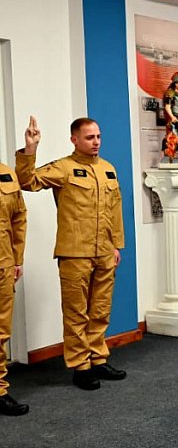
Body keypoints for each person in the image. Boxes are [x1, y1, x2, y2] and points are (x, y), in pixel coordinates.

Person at [16, 116, 126, 391]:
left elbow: (116, 211)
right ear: (74, 140)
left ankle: (98, 358)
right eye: (89, 137)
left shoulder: (108, 169)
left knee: (100, 310)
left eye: (98, 136)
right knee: (77, 312)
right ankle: (81, 366)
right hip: (75, 252)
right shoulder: (64, 168)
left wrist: (116, 246)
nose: (96, 142)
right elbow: (27, 181)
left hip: (103, 251)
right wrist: (31, 149)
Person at [0, 149, 28, 416]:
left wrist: (17, 258)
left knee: (1, 332)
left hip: (4, 264)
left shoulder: (7, 174)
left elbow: (19, 218)